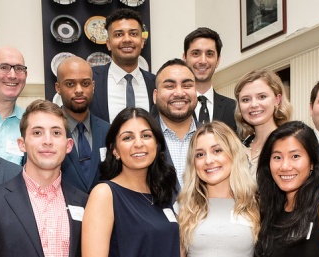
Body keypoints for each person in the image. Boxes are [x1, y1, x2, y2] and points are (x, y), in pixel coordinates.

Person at [0, 100, 88, 257]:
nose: (47, 141)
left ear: (68, 145)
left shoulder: (84, 202)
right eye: (37, 133)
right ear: (22, 144)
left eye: (56, 133)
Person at [82, 107, 180, 257]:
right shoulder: (104, 194)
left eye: (146, 135)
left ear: (157, 143)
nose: (139, 143)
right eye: (128, 138)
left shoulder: (161, 192)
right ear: (114, 149)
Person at [255, 121, 319, 257]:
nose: (285, 166)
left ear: (312, 163)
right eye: (277, 157)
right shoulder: (269, 209)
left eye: (295, 156)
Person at [177, 121, 259, 257]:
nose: (208, 160)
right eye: (200, 154)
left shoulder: (255, 204)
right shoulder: (185, 208)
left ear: (233, 153)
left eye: (217, 151)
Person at [91, 8, 156, 123]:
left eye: (133, 34)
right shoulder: (91, 79)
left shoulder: (155, 83)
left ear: (142, 42)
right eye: (119, 34)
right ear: (108, 44)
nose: (127, 39)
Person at [56, 56, 110, 193]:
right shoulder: (47, 133)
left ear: (93, 86)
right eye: (70, 84)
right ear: (58, 88)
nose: (79, 90)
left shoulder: (108, 131)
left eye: (85, 83)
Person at [234, 69, 292, 175]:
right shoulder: (238, 148)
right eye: (246, 99)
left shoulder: (291, 142)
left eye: (262, 97)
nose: (254, 104)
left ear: (277, 100)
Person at [152, 58, 198, 187]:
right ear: (155, 96)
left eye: (187, 85)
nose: (179, 93)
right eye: (169, 86)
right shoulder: (142, 140)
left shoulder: (215, 138)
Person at [182, 27, 237, 131]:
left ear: (218, 60)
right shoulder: (175, 105)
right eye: (196, 53)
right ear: (184, 58)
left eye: (209, 54)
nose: (203, 61)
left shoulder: (234, 108)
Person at [0, 46, 28, 164]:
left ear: (26, 75)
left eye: (19, 68)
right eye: (4, 67)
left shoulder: (29, 122)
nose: (12, 75)